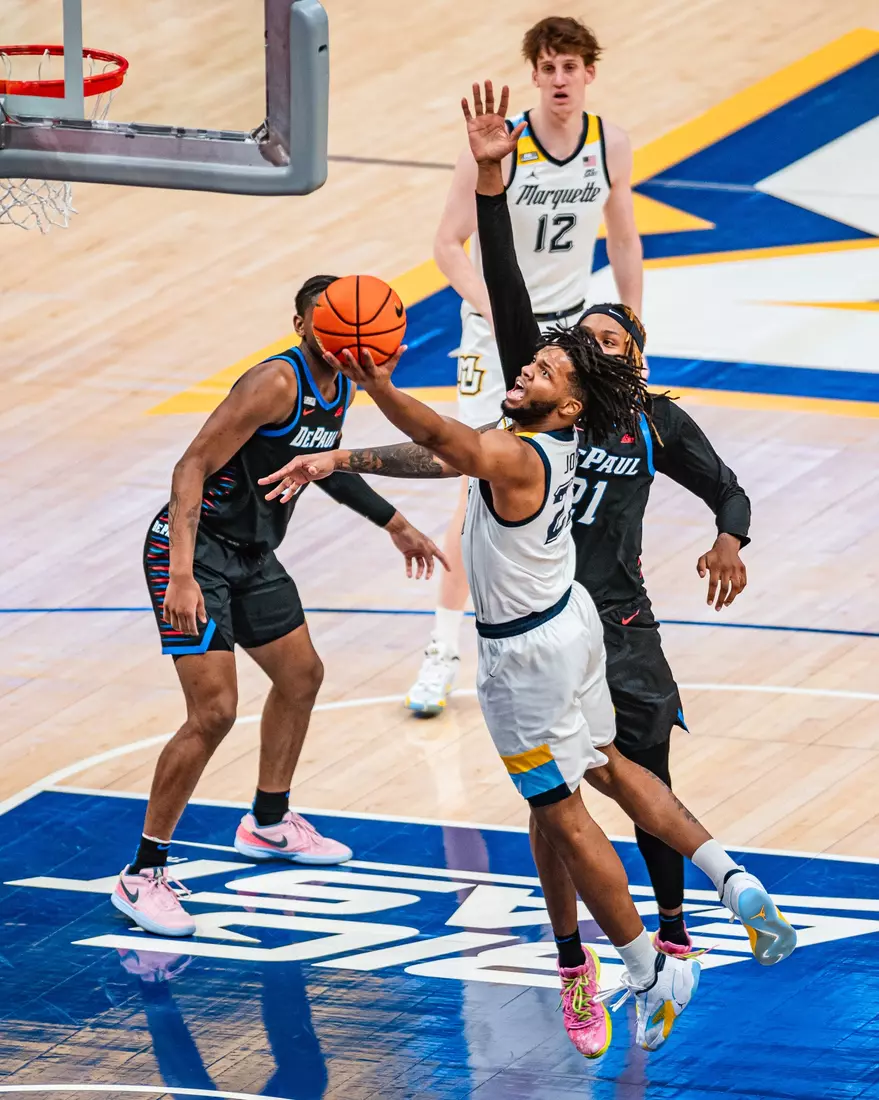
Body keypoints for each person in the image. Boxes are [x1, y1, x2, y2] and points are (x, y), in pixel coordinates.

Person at [261, 86, 796, 1060]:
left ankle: (646, 966)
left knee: (557, 807)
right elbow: (507, 300)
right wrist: (496, 178)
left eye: (547, 368)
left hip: (527, 655)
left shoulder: (522, 450)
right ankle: (713, 883)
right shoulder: (548, 421)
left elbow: (438, 435)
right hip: (572, 621)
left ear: (564, 403)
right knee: (601, 769)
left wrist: (372, 378)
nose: (530, 365)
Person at [111, 275, 447, 939]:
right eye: (327, 321)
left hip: (252, 555)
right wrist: (181, 572)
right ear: (303, 325)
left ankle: (267, 823)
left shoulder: (343, 378)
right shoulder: (276, 382)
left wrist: (394, 521)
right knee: (213, 713)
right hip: (194, 550)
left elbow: (320, 462)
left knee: (301, 676)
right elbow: (190, 465)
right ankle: (142, 873)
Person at [407, 15, 643, 715]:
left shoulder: (610, 145)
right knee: (473, 479)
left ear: (588, 73)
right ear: (533, 75)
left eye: (571, 67)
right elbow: (447, 245)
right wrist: (497, 311)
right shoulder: (498, 145)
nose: (560, 79)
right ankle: (442, 651)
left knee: (566, 486)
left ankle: (567, 636)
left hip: (569, 334)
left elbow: (624, 241)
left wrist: (630, 330)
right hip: (496, 329)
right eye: (548, 68)